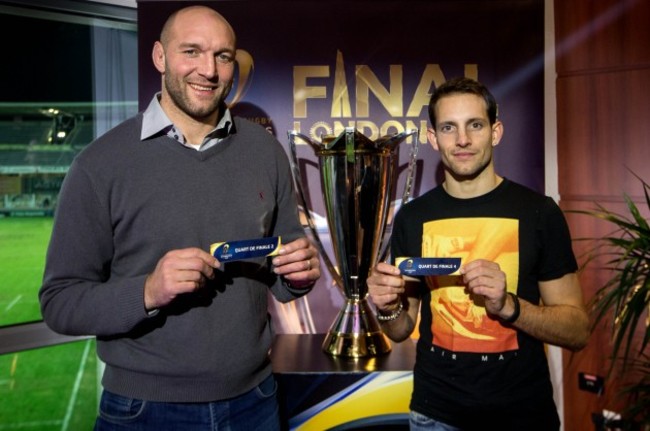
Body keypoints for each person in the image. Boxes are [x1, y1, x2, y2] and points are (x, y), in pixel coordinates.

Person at [39, 5, 320, 430]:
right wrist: (148, 291)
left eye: (223, 56)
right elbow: (59, 302)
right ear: (160, 56)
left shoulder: (264, 151)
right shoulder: (100, 164)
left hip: (255, 401)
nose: (208, 70)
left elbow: (283, 273)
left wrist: (299, 275)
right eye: (192, 51)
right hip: (143, 411)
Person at [367, 77, 589, 431]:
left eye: (475, 125)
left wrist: (509, 306)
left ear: (495, 131)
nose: (463, 140)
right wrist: (387, 305)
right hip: (435, 414)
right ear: (432, 137)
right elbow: (400, 328)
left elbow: (577, 330)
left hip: (523, 415)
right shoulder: (412, 217)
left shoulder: (539, 212)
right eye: (448, 128)